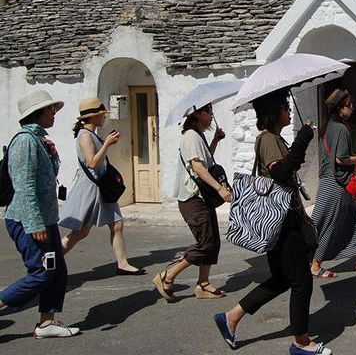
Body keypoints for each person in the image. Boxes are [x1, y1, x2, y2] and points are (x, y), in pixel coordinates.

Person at [213, 91, 332, 354]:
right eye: (285, 107)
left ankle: (231, 317)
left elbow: (288, 166)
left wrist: (301, 139)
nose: (289, 111)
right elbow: (279, 173)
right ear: (273, 112)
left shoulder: (276, 138)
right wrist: (302, 140)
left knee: (281, 279)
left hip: (284, 220)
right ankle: (300, 342)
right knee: (301, 281)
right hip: (282, 222)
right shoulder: (267, 139)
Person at [0, 90, 79, 338]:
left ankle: (47, 323)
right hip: (28, 221)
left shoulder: (38, 140)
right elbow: (24, 186)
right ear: (37, 113)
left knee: (57, 271)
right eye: (50, 110)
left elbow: (46, 177)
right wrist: (35, 224)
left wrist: (53, 157)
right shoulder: (25, 141)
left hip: (45, 220)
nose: (54, 115)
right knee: (41, 272)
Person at [153, 103, 232, 302]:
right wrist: (220, 188)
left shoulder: (198, 136)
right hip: (192, 199)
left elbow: (206, 161)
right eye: (208, 113)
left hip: (201, 198)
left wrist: (215, 140)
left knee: (212, 243)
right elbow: (197, 167)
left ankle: (203, 284)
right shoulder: (190, 136)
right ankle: (167, 276)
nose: (211, 117)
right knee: (205, 244)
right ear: (197, 114)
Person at [59, 97, 143, 275]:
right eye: (101, 115)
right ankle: (47, 260)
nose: (104, 117)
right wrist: (107, 144)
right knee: (80, 231)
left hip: (100, 187)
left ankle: (122, 263)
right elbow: (92, 163)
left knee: (116, 224)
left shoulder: (91, 134)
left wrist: (106, 144)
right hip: (91, 188)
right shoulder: (85, 135)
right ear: (93, 117)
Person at [310, 89, 356, 278]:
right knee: (328, 222)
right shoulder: (340, 128)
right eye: (349, 106)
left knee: (355, 218)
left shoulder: (328, 127)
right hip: (336, 183)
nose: (352, 108)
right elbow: (341, 159)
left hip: (332, 180)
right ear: (340, 108)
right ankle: (315, 263)